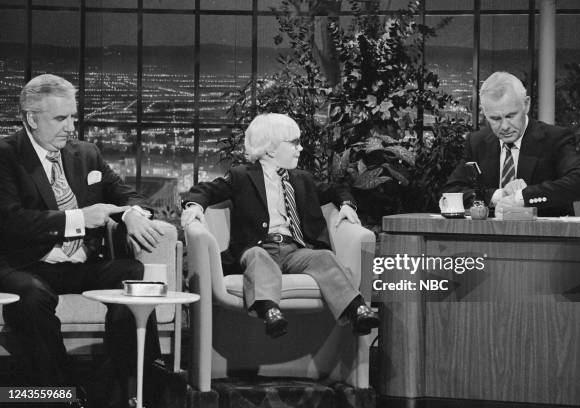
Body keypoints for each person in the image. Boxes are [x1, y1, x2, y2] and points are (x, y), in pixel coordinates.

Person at [0, 74, 164, 408]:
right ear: (31, 118)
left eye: (73, 117)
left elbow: (130, 196)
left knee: (130, 272)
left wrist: (132, 213)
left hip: (77, 264)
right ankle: (62, 394)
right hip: (24, 264)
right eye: (60, 118)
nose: (71, 126)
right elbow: (10, 220)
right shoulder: (6, 155)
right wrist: (78, 218)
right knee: (32, 295)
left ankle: (132, 385)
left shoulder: (86, 154)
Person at [181, 113, 379, 338]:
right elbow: (206, 190)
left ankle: (357, 309)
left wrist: (346, 205)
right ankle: (270, 311)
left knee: (324, 258)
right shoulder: (242, 175)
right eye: (294, 143)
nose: (300, 148)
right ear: (271, 149)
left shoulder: (302, 179)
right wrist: (195, 206)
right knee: (257, 257)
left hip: (296, 250)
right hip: (261, 247)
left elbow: (336, 189)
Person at [442, 71, 580, 217]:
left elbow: (578, 183)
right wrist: (497, 196)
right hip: (491, 235)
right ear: (484, 113)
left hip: (545, 234)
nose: (504, 126)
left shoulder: (555, 138)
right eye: (495, 118)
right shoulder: (476, 142)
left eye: (511, 116)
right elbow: (451, 191)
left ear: (526, 104)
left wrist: (522, 197)